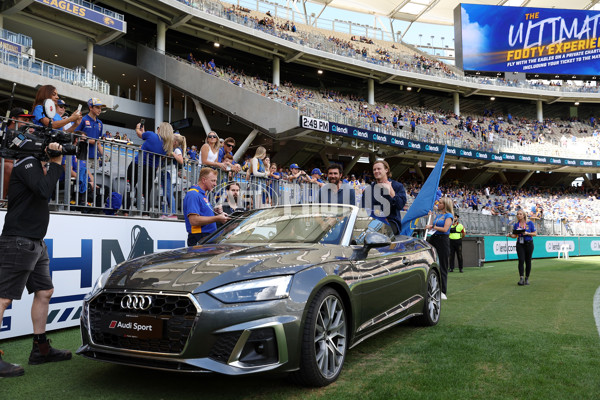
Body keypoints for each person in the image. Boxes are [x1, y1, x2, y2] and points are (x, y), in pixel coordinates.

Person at [0, 142, 72, 378]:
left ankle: (40, 350)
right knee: (2, 299)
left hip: (35, 242)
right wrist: (56, 163)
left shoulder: (33, 165)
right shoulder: (26, 162)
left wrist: (52, 164)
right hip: (19, 240)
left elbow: (43, 188)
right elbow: (44, 190)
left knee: (45, 291)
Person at [125, 122, 174, 212]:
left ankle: (125, 212)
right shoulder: (167, 146)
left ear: (160, 129)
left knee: (129, 188)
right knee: (146, 192)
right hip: (151, 169)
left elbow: (139, 134)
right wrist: (144, 132)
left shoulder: (152, 135)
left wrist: (137, 127)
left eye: (158, 127)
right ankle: (145, 213)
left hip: (137, 165)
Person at [183, 167, 230, 246]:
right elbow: (194, 220)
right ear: (204, 180)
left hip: (206, 236)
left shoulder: (202, 194)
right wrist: (217, 218)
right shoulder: (193, 194)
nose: (215, 184)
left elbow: (202, 215)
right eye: (213, 181)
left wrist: (215, 212)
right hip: (199, 237)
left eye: (215, 181)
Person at [361, 159, 406, 234]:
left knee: (379, 233)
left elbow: (400, 205)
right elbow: (363, 209)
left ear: (386, 170)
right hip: (372, 222)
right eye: (374, 169)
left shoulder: (397, 186)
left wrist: (391, 191)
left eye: (379, 169)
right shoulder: (368, 190)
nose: (376, 171)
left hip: (391, 222)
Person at [425, 197, 454, 299]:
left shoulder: (449, 216)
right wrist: (431, 217)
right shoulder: (438, 215)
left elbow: (445, 229)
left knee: (443, 265)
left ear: (445, 205)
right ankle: (432, 287)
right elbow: (433, 225)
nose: (438, 204)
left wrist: (432, 227)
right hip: (434, 238)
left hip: (443, 240)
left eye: (440, 203)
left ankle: (443, 291)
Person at [507, 209, 537, 286]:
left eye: (520, 214)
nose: (519, 215)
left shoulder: (530, 223)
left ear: (524, 215)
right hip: (520, 244)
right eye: (518, 214)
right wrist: (510, 235)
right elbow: (515, 236)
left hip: (529, 244)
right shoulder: (516, 225)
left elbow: (535, 233)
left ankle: (527, 278)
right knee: (521, 260)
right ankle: (521, 278)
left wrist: (528, 233)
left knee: (528, 261)